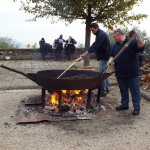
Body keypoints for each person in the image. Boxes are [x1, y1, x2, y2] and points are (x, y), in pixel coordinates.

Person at [107, 29, 144, 115]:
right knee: (123, 90)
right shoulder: (115, 46)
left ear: (119, 35)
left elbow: (141, 46)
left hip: (132, 72)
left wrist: (139, 37)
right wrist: (110, 60)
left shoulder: (132, 41)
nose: (114, 39)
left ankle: (136, 107)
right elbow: (112, 55)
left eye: (114, 37)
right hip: (120, 72)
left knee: (135, 91)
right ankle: (124, 104)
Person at [75, 23, 111, 96]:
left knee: (101, 73)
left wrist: (82, 56)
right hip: (104, 56)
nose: (92, 32)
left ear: (97, 28)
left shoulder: (101, 35)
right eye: (91, 31)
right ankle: (106, 88)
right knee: (103, 72)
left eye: (93, 30)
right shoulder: (99, 34)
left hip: (104, 57)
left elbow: (94, 47)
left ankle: (103, 91)